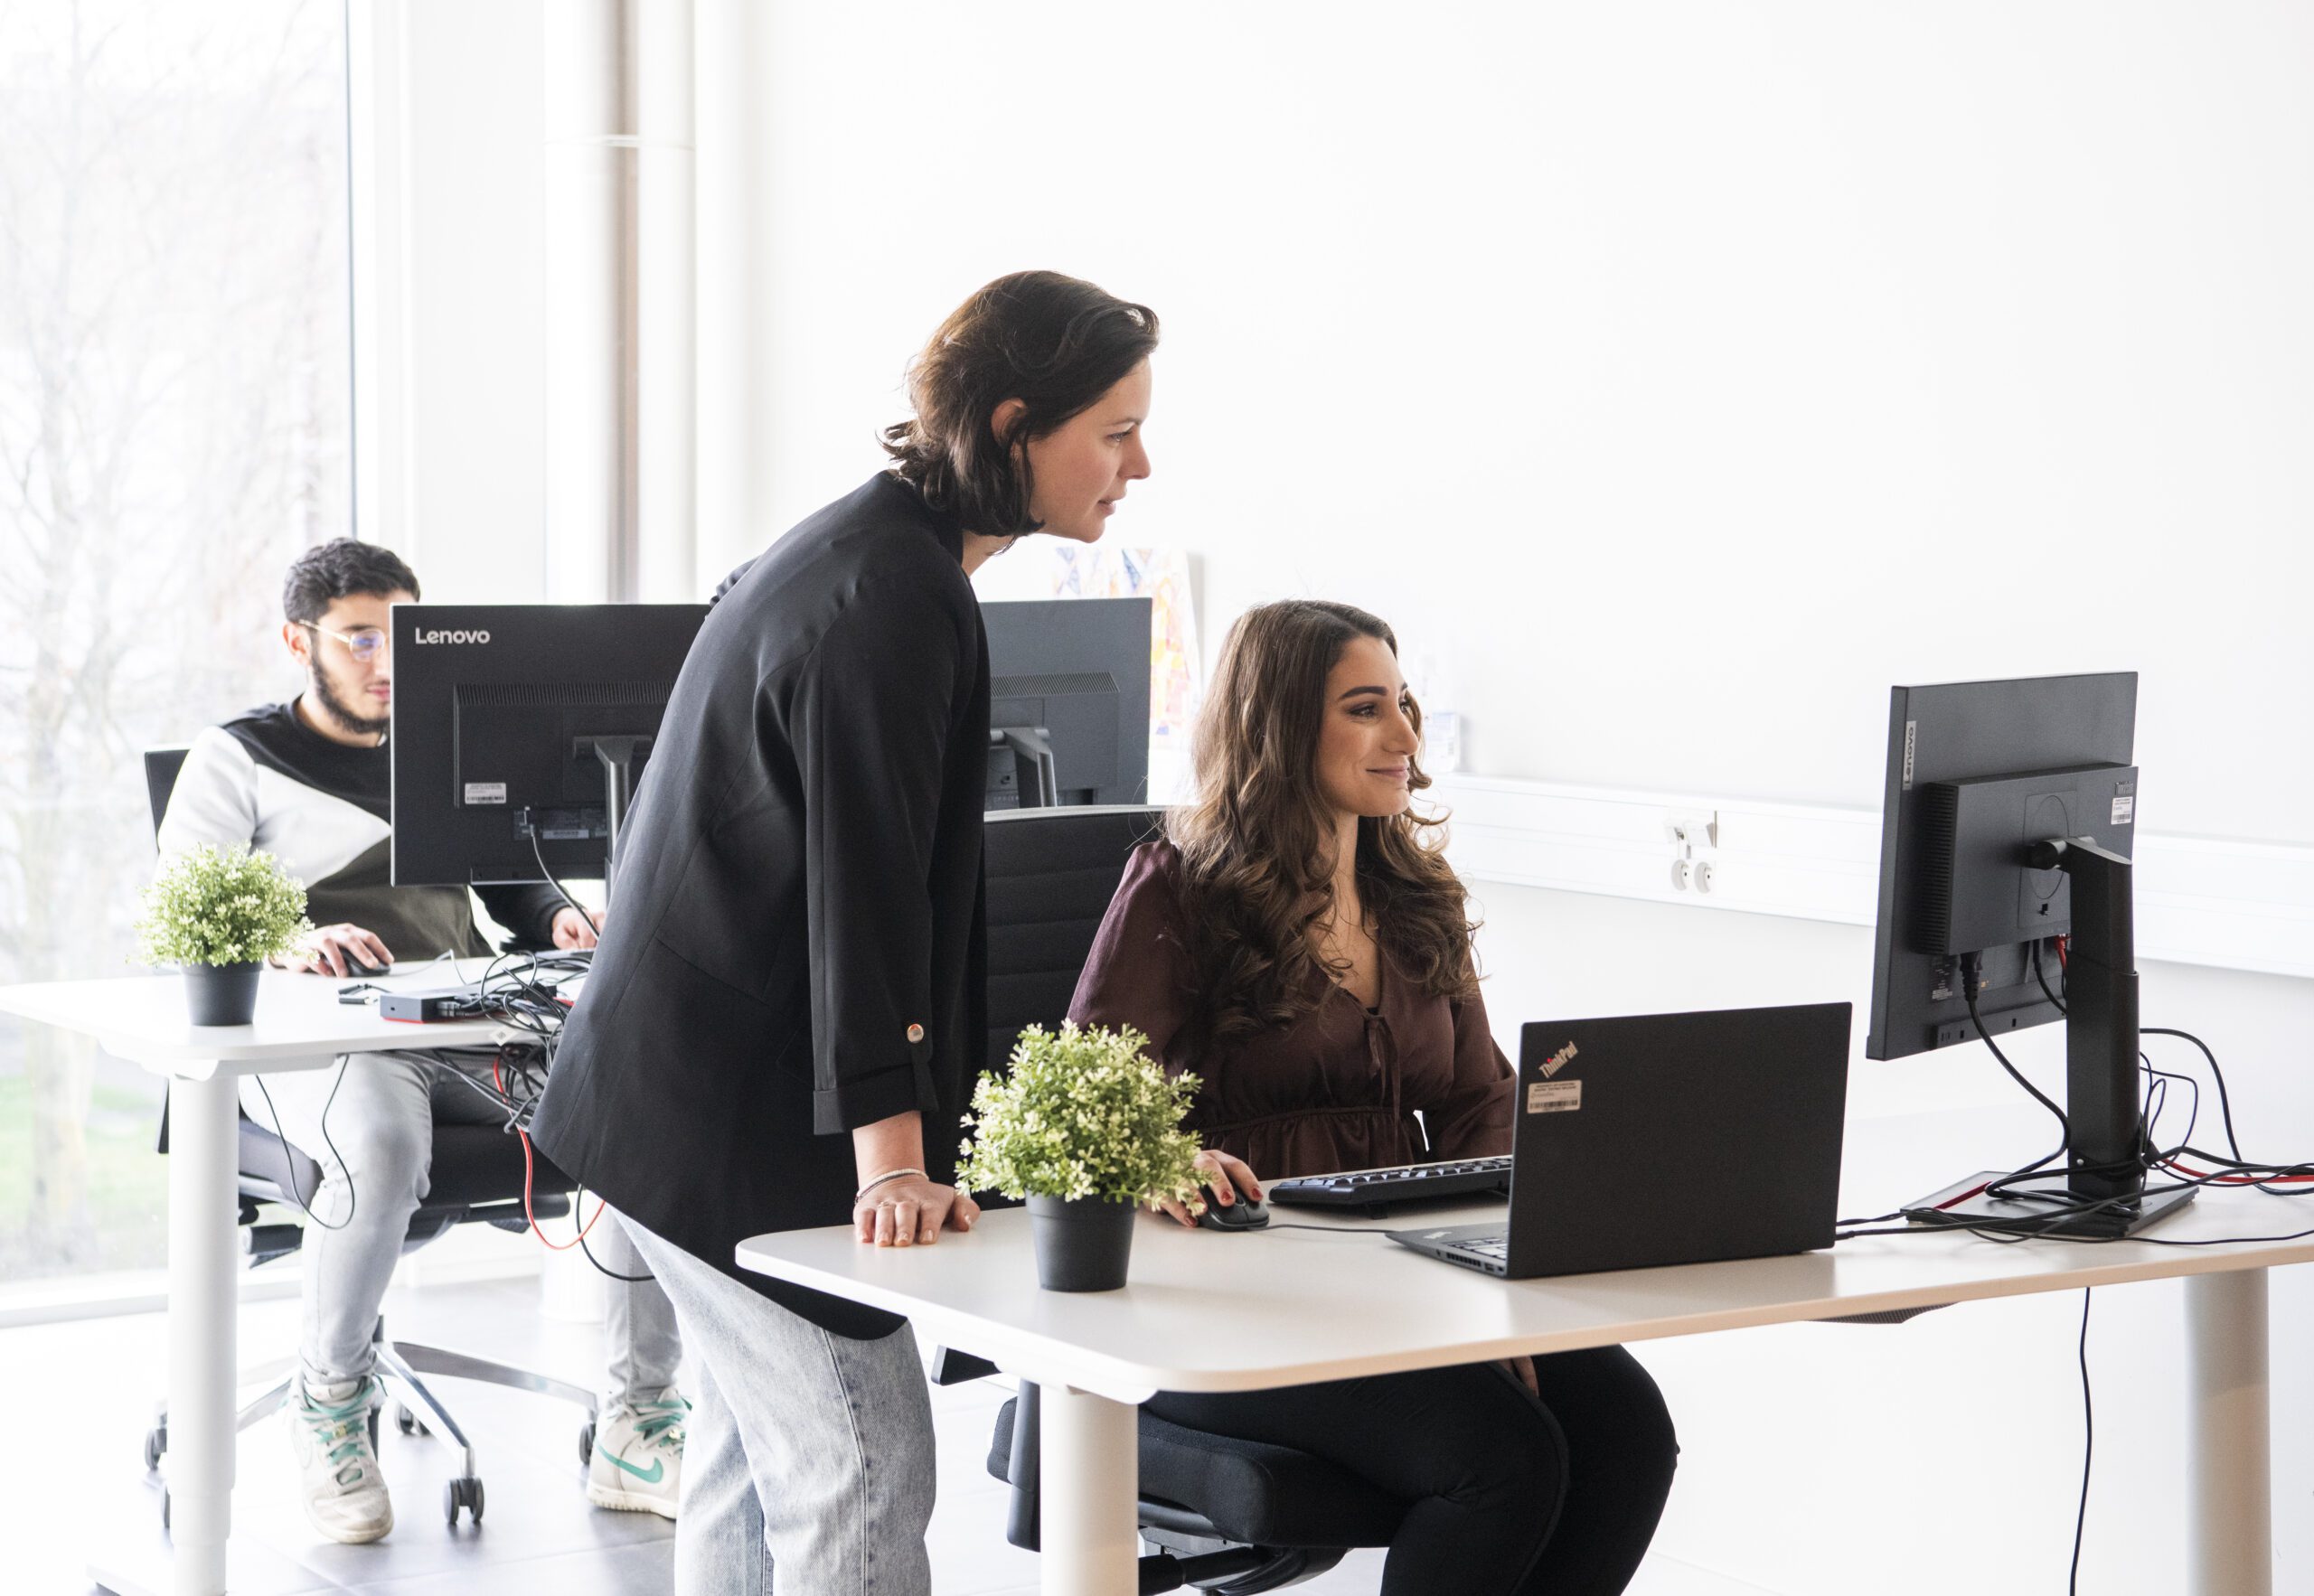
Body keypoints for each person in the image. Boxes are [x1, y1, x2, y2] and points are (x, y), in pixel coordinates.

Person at [528, 270, 1158, 1595]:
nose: (1138, 464)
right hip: (725, 1120)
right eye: (1113, 430)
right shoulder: (889, 596)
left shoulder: (878, 556)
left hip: (674, 1098)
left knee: (759, 1468)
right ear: (1012, 422)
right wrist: (891, 1164)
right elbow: (864, 891)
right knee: (862, 1462)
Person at [1069, 598, 1679, 1596]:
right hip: (1239, 1302)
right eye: (1365, 709)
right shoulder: (1178, 888)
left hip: (1407, 1284)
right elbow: (1081, 1103)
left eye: (1404, 703)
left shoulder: (1413, 894)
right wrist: (1163, 1161)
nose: (1403, 736)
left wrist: (1516, 1295)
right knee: (1503, 1456)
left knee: (1625, 1429)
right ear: (1279, 728)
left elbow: (1485, 1100)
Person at [156, 540, 687, 1544]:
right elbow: (187, 908)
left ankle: (635, 1417)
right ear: (297, 640)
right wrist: (290, 936)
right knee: (385, 1142)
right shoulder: (239, 756)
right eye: (357, 636)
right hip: (310, 1051)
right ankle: (330, 1396)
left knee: (634, 1102)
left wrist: (554, 916)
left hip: (462, 1022)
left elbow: (505, 875)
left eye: (396, 633)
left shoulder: (445, 739)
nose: (382, 658)